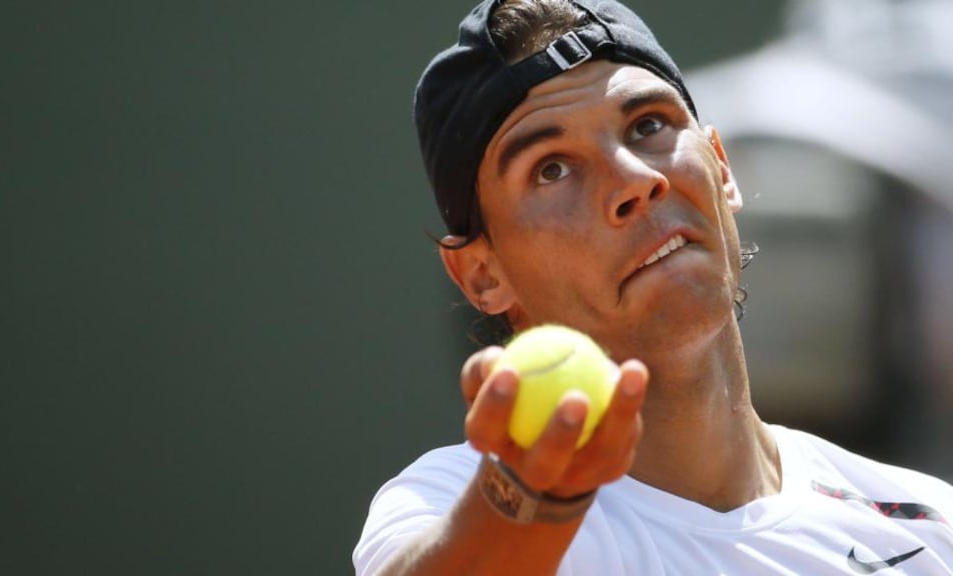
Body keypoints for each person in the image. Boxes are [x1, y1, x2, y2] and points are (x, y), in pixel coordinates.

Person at [353, 0, 953, 574]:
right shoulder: (448, 504)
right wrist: (530, 502)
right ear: (484, 275)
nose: (635, 181)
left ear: (721, 168)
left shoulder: (930, 525)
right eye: (551, 168)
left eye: (647, 126)